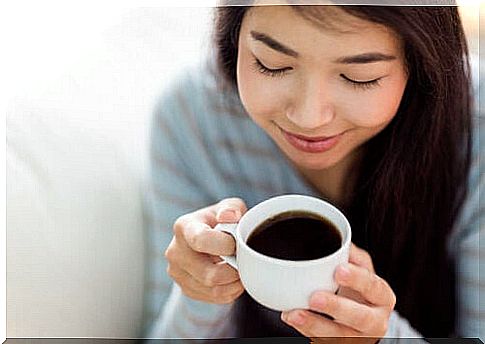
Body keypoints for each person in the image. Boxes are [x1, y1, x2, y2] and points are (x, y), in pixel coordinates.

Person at [143, 3, 483, 341]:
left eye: (358, 77)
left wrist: (383, 338)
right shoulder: (191, 118)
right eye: (272, 65)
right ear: (235, 37)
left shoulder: (476, 132)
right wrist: (200, 293)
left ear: (423, 63)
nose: (309, 118)